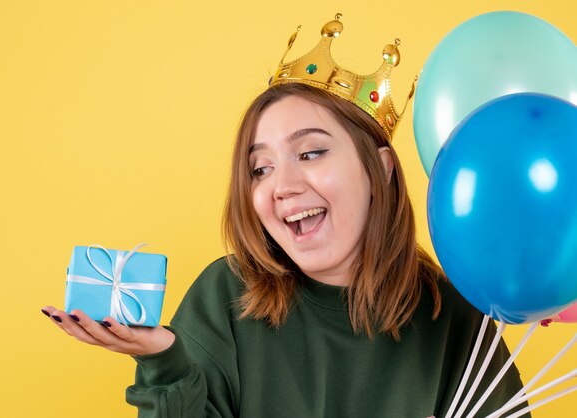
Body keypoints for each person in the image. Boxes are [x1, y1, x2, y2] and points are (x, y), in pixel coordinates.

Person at [42, 14, 529, 418]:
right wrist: (163, 363)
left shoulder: (458, 319)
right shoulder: (225, 297)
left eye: (312, 153)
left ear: (379, 169)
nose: (283, 186)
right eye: (261, 168)